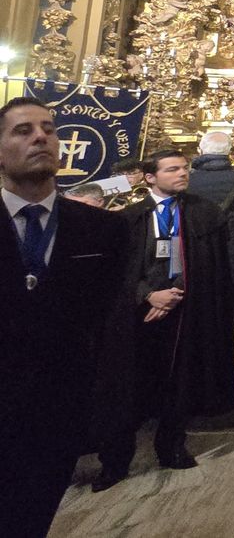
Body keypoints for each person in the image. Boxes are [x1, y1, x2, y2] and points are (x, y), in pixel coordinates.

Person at [0, 98, 132, 537]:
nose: (41, 137)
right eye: (22, 130)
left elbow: (107, 320)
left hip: (57, 413)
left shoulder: (104, 230)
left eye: (49, 129)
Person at [96, 149, 234, 491]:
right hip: (135, 316)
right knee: (127, 387)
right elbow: (118, 270)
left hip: (185, 313)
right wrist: (147, 295)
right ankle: (115, 461)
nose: (183, 173)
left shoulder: (205, 213)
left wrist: (176, 292)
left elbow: (211, 266)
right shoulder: (129, 217)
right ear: (150, 177)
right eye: (173, 169)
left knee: (179, 382)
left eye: (185, 167)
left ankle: (172, 446)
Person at [187, 131, 234, 387]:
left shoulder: (189, 180)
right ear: (229, 151)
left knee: (206, 312)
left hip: (203, 255)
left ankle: (211, 368)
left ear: (200, 149)